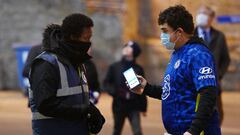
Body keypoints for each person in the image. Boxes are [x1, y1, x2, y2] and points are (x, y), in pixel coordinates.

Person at [130, 5, 221, 135]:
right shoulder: (177, 53)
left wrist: (193, 131)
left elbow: (208, 95)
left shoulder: (198, 54)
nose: (162, 36)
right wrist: (147, 88)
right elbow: (174, 92)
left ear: (179, 32)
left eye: (165, 31)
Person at [28, 13, 105, 135]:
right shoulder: (46, 64)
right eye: (86, 39)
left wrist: (92, 111)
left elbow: (74, 98)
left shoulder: (77, 63)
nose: (88, 43)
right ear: (72, 37)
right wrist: (84, 111)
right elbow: (45, 104)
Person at [194, 5, 231, 125]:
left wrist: (219, 75)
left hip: (213, 82)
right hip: (194, 82)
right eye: (199, 13)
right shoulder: (190, 35)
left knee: (216, 112)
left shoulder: (219, 36)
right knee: (195, 111)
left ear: (211, 18)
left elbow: (226, 59)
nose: (201, 16)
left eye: (204, 13)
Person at [104, 41, 147, 135]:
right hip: (119, 104)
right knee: (117, 130)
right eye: (125, 46)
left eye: (130, 47)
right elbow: (106, 83)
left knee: (137, 131)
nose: (126, 48)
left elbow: (143, 89)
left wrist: (144, 107)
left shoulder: (138, 69)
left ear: (135, 52)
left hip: (134, 105)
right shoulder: (114, 67)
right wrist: (114, 92)